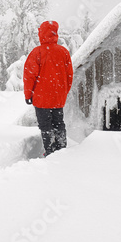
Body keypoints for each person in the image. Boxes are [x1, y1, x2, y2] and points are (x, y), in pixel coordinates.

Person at [23, 20, 73, 156]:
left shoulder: (37, 52)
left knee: (46, 125)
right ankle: (61, 149)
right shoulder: (63, 52)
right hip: (58, 98)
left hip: (41, 99)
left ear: (42, 34)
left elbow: (29, 76)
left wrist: (28, 95)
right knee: (59, 123)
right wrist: (63, 93)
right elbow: (69, 77)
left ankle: (50, 151)